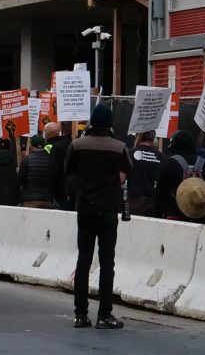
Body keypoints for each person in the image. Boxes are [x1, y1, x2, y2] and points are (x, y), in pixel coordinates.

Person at [64, 103, 130, 328]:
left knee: (84, 260)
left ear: (91, 122)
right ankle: (104, 314)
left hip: (85, 209)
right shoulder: (119, 147)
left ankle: (80, 314)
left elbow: (69, 170)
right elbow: (125, 173)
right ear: (110, 124)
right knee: (106, 262)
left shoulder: (77, 145)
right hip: (108, 209)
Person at [20, 123, 65, 209]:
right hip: (48, 199)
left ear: (31, 145)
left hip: (30, 199)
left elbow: (21, 179)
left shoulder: (27, 160)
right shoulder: (51, 158)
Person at [127, 132, 163, 218]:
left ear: (137, 136)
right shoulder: (161, 156)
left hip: (132, 202)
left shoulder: (129, 153)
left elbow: (121, 178)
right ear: (153, 138)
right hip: (152, 204)